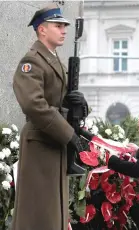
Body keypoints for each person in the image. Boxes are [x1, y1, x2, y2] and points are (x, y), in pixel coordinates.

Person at [11, 4, 87, 230]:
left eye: (64, 26)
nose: (64, 30)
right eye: (58, 26)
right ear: (42, 29)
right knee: (39, 210)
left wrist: (79, 105)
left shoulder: (55, 61)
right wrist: (68, 133)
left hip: (53, 140)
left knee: (53, 210)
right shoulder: (32, 61)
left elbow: (60, 101)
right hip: (41, 142)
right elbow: (34, 105)